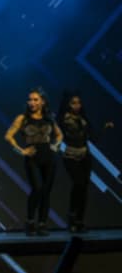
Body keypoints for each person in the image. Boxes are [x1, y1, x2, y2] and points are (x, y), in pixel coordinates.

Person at [4, 88, 64, 236]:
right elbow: (8, 136)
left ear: (42, 102)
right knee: (37, 188)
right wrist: (21, 151)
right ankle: (30, 221)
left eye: (35, 99)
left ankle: (42, 224)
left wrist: (56, 145)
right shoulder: (22, 118)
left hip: (49, 158)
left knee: (46, 192)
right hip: (32, 158)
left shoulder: (49, 117)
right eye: (30, 99)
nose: (32, 102)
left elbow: (59, 135)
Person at [57, 90, 114, 233]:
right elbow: (60, 133)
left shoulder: (83, 119)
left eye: (79, 103)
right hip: (71, 156)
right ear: (68, 104)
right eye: (73, 103)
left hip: (85, 156)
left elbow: (93, 137)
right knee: (78, 184)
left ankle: (79, 220)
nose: (77, 106)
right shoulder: (64, 119)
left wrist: (104, 128)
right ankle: (72, 218)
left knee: (83, 188)